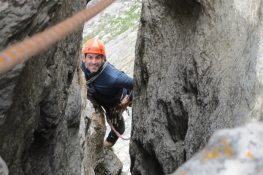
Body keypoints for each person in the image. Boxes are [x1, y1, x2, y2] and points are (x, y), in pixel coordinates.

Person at [81, 38, 133, 147]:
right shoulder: (81, 67)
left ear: (103, 59)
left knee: (119, 128)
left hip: (116, 102)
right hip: (100, 95)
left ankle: (107, 145)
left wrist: (127, 101)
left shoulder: (113, 77)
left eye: (98, 58)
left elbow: (138, 83)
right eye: (90, 57)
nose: (94, 62)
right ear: (84, 58)